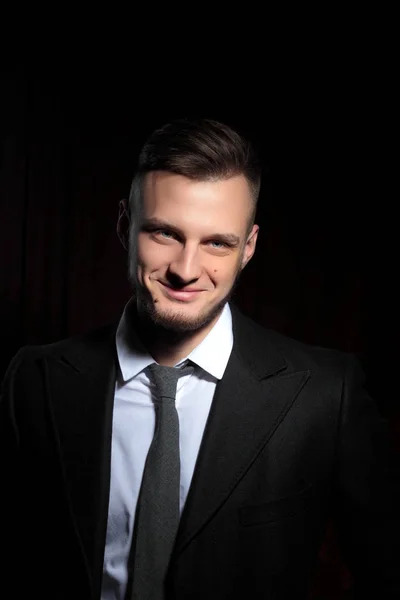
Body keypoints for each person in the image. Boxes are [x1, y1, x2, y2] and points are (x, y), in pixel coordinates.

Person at [1, 117, 399, 600]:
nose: (186, 271)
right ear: (125, 226)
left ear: (248, 247)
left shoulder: (324, 395)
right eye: (165, 234)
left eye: (217, 243)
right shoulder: (36, 379)